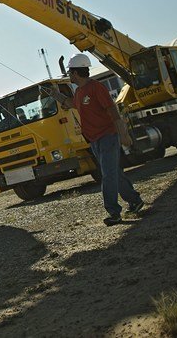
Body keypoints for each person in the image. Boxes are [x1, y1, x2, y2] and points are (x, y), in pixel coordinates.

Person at [56, 53, 144, 226]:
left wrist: (123, 134)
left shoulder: (96, 87)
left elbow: (112, 111)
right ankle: (134, 200)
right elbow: (71, 104)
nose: (69, 75)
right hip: (94, 140)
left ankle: (114, 212)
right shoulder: (80, 91)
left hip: (107, 137)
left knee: (108, 174)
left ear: (76, 72)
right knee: (113, 173)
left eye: (70, 72)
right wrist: (55, 96)